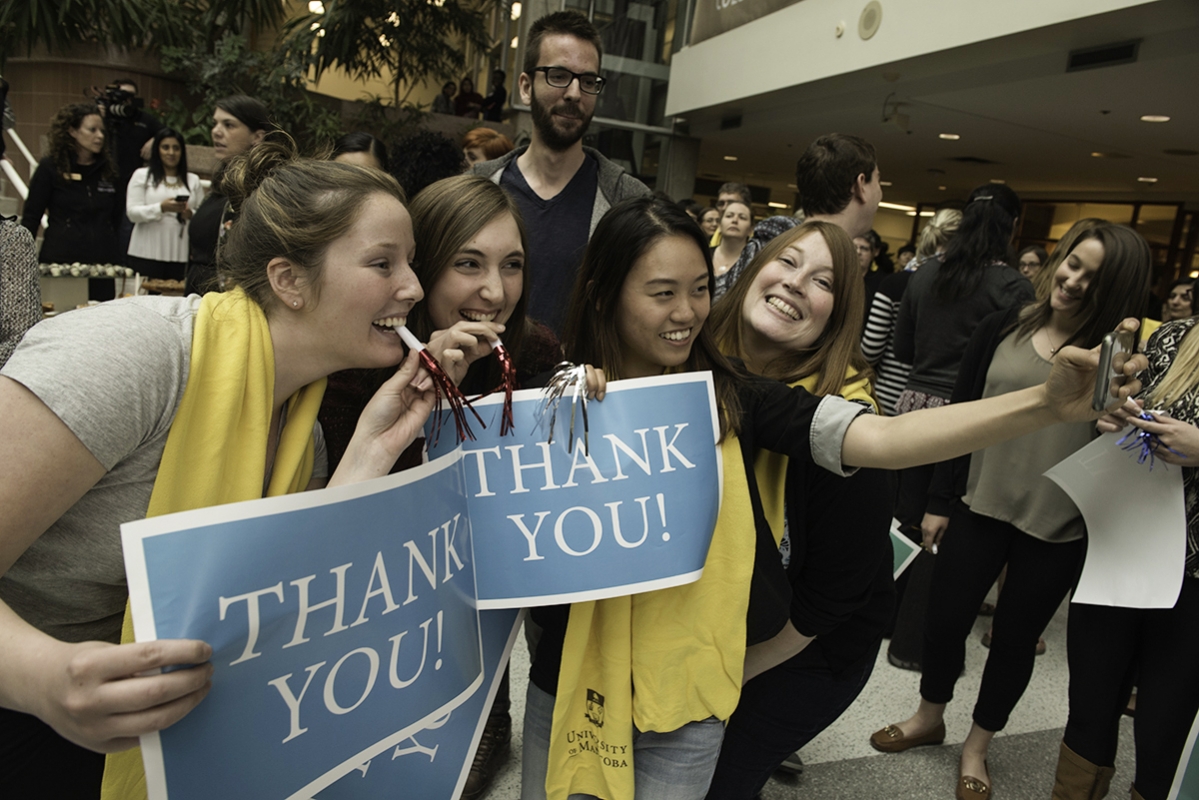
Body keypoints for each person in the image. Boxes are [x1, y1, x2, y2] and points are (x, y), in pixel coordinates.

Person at [519, 195, 1147, 800]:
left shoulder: (729, 393)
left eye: (700, 288)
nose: (687, 311)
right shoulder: (555, 398)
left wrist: (1044, 403)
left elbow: (885, 439)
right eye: (663, 292)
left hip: (691, 691)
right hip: (572, 675)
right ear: (604, 293)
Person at [0, 138, 494, 798]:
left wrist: (373, 448)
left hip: (148, 727)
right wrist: (44, 677)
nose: (413, 287)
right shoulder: (135, 358)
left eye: (410, 262)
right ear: (289, 280)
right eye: (383, 263)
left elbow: (281, 599)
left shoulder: (303, 434)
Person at [872, 224, 1152, 800]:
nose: (1073, 281)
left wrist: (1122, 417)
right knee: (944, 620)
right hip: (979, 502)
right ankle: (929, 716)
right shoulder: (1004, 325)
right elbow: (960, 414)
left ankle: (977, 746)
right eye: (1073, 263)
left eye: (1093, 277)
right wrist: (940, 501)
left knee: (1014, 640)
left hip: (1056, 524)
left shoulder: (1117, 360)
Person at [704, 220, 896, 798]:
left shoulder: (850, 427)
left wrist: (722, 678)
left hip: (807, 647)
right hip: (718, 615)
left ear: (838, 316)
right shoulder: (693, 356)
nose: (795, 283)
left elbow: (828, 602)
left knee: (719, 778)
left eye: (823, 281)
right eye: (787, 262)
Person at [1055, 317, 1199, 800]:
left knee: (1164, 727)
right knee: (1090, 703)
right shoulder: (1173, 335)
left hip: (1193, 576)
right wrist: (1114, 420)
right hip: (1124, 541)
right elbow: (1124, 410)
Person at [471, 10, 650, 335]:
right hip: (483, 365)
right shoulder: (477, 188)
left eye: (588, 81)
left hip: (583, 368)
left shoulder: (628, 201)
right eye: (558, 75)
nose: (574, 93)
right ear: (526, 87)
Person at [891, 184, 1035, 535]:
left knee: (900, 522)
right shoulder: (1012, 286)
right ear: (1013, 225)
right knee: (951, 530)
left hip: (912, 411)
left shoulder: (924, 273)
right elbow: (1014, 368)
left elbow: (902, 350)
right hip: (973, 418)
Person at [713, 132, 882, 299]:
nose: (880, 194)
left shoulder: (843, 260)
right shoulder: (772, 243)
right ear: (860, 185)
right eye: (878, 180)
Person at [22, 102, 124, 302]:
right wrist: (21, 259)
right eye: (92, 130)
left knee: (101, 317)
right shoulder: (50, 167)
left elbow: (117, 217)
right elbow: (31, 216)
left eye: (102, 131)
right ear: (72, 131)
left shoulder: (108, 171)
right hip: (61, 261)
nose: (100, 136)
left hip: (101, 265)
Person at [862, 209, 962, 414]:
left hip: (888, 396)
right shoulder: (967, 290)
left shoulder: (895, 284)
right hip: (942, 405)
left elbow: (870, 350)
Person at [185, 95, 271, 296]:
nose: (216, 131)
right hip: (198, 297)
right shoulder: (221, 183)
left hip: (230, 302)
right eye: (215, 123)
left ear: (257, 137)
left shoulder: (262, 191)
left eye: (228, 125)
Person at [125, 128, 205, 281]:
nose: (171, 152)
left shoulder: (193, 180)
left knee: (176, 293)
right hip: (145, 250)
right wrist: (160, 208)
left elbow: (203, 216)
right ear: (157, 150)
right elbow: (132, 213)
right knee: (145, 294)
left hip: (180, 251)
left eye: (176, 148)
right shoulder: (142, 175)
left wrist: (190, 214)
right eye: (165, 147)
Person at [711, 199, 751, 277]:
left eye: (742, 217)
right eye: (729, 216)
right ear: (720, 225)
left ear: (750, 229)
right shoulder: (703, 255)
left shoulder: (756, 262)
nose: (734, 220)